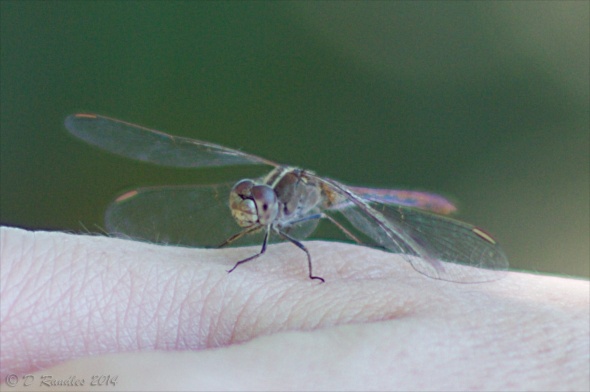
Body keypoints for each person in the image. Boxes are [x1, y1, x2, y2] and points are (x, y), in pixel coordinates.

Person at [1, 226, 588, 391]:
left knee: (305, 251)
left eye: (254, 203)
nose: (245, 206)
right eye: (246, 200)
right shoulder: (259, 201)